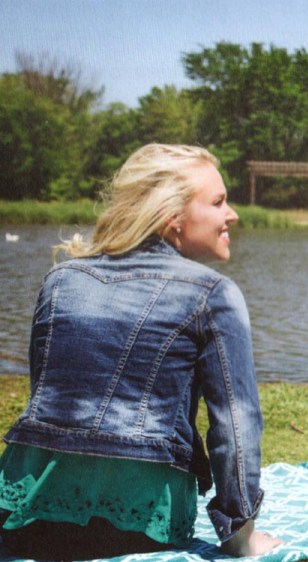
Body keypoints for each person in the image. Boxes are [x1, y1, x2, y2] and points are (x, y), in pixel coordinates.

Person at [0, 144, 281, 559]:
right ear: (173, 217)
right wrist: (241, 534)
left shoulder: (59, 279)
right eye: (219, 202)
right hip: (140, 525)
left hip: (25, 517)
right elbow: (235, 427)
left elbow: (49, 398)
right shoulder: (213, 295)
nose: (232, 214)